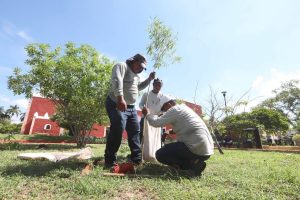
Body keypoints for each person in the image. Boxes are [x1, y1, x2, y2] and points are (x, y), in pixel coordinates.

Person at [104, 53, 155, 168]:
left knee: (135, 131)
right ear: (133, 60)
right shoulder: (121, 66)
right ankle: (109, 160)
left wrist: (149, 79)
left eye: (143, 67)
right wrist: (120, 98)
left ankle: (136, 160)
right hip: (116, 103)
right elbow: (117, 80)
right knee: (118, 128)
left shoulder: (136, 76)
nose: (141, 68)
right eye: (139, 65)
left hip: (131, 108)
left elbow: (138, 87)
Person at [142, 96, 214, 176]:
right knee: (176, 148)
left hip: (194, 149)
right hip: (206, 152)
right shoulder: (184, 109)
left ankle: (191, 166)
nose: (164, 111)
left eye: (164, 109)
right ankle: (195, 164)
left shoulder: (174, 110)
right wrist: (168, 132)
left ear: (169, 104)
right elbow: (187, 126)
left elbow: (156, 123)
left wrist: (147, 114)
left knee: (160, 154)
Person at [139, 78, 165, 162]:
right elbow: (140, 104)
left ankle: (154, 155)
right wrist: (144, 108)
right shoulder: (146, 94)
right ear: (153, 85)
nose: (158, 86)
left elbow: (163, 108)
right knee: (144, 137)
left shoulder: (162, 96)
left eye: (159, 85)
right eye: (156, 84)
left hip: (157, 120)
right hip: (146, 119)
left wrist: (162, 113)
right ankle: (142, 156)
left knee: (156, 138)